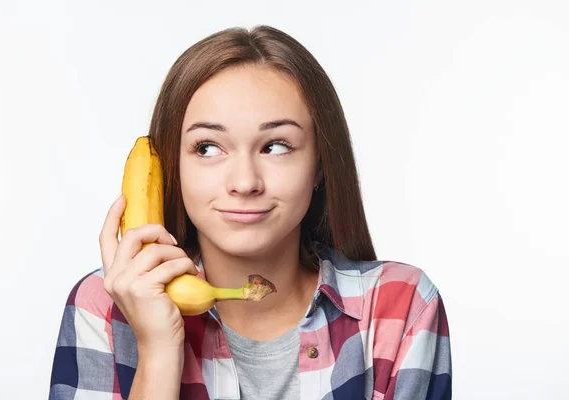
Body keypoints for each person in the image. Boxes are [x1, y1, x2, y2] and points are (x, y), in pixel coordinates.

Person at [49, 25, 452, 400]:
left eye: (276, 145)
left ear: (320, 166)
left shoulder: (401, 308)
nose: (244, 182)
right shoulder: (102, 308)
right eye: (208, 148)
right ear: (172, 167)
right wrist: (156, 351)